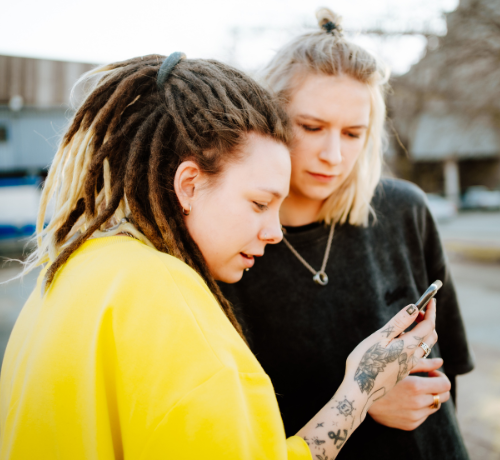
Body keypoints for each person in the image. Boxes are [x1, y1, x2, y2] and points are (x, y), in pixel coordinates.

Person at [0, 53, 437, 460]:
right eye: (259, 203)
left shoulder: (80, 266)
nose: (274, 232)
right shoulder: (169, 298)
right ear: (189, 184)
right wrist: (360, 391)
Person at [221, 9, 474, 460]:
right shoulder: (230, 247)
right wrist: (364, 401)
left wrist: (429, 397)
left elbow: (450, 368)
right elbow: (235, 418)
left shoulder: (404, 210)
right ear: (269, 118)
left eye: (353, 133)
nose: (334, 155)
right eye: (312, 127)